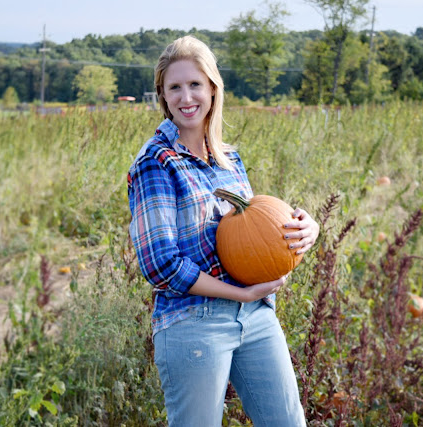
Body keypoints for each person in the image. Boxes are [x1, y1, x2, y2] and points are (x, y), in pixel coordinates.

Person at [127, 35, 319, 426]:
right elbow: (160, 264)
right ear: (162, 96)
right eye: (174, 87)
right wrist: (239, 292)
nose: (186, 97)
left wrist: (305, 229)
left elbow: (250, 228)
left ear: (213, 89)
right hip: (193, 322)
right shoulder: (156, 161)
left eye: (195, 84)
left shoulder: (229, 159)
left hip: (257, 317)